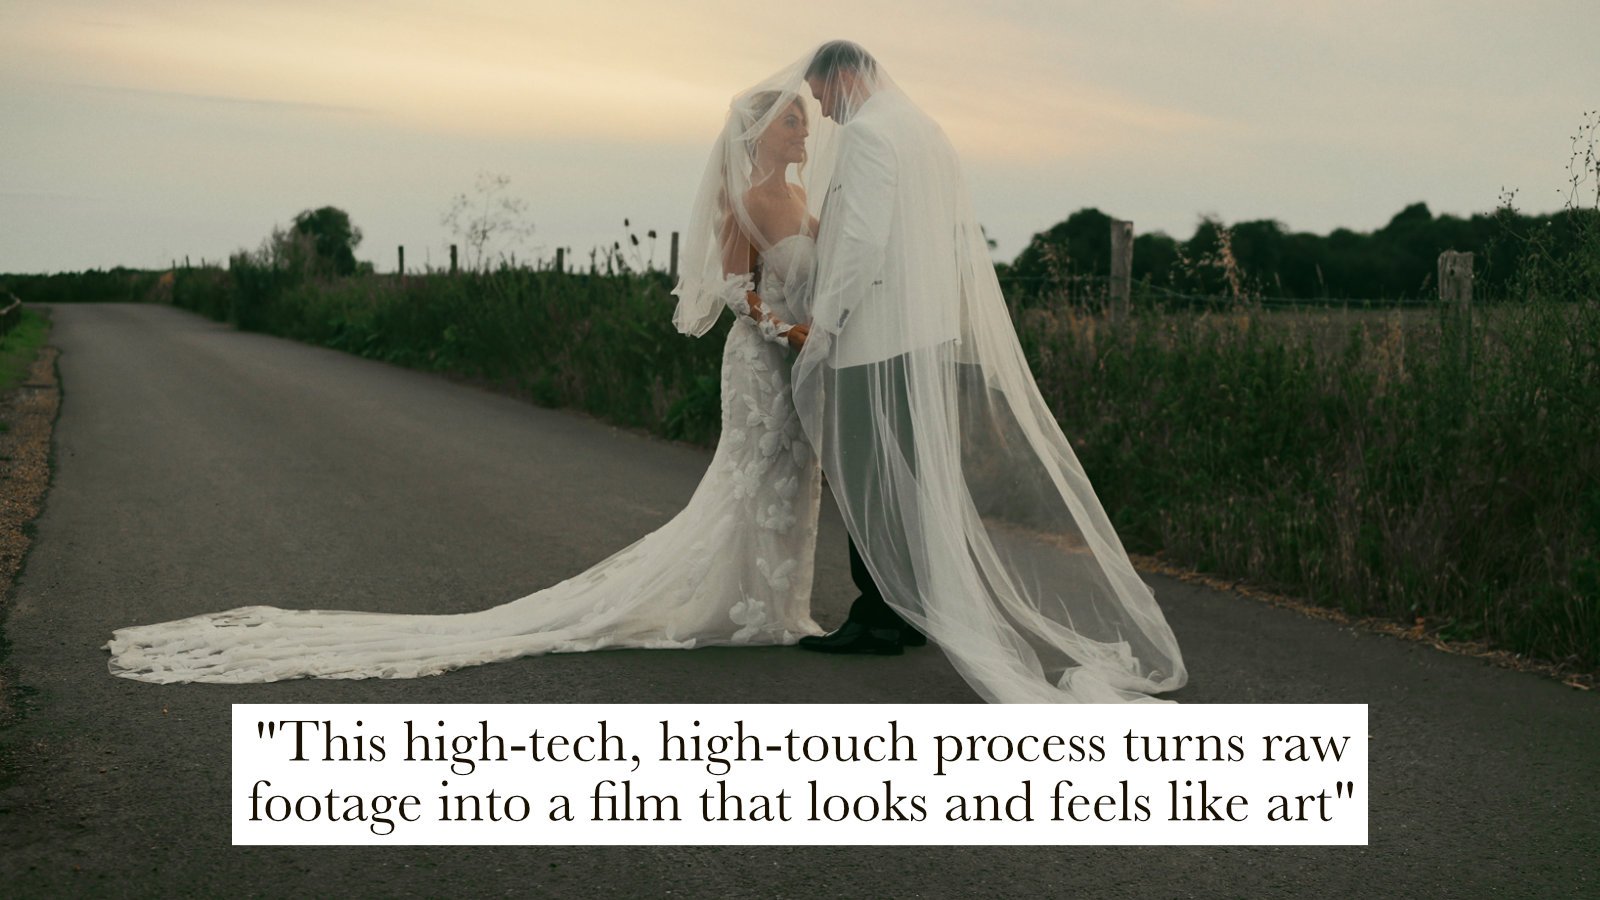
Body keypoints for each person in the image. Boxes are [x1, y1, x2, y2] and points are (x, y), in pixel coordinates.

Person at [104, 90, 825, 683]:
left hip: (798, 358)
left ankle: (774, 608)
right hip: (762, 362)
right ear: (761, 131)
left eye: (805, 117)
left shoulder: (798, 197)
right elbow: (735, 290)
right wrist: (786, 333)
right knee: (747, 478)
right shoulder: (747, 200)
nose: (805, 127)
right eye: (793, 117)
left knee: (791, 477)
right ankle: (740, 609)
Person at [784, 41, 1188, 702]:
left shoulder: (868, 136)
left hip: (874, 333)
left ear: (846, 75)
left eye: (822, 94)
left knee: (868, 472)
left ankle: (880, 616)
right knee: (907, 475)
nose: (823, 114)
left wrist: (825, 324)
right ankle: (904, 607)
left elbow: (859, 240)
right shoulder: (926, 131)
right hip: (923, 332)